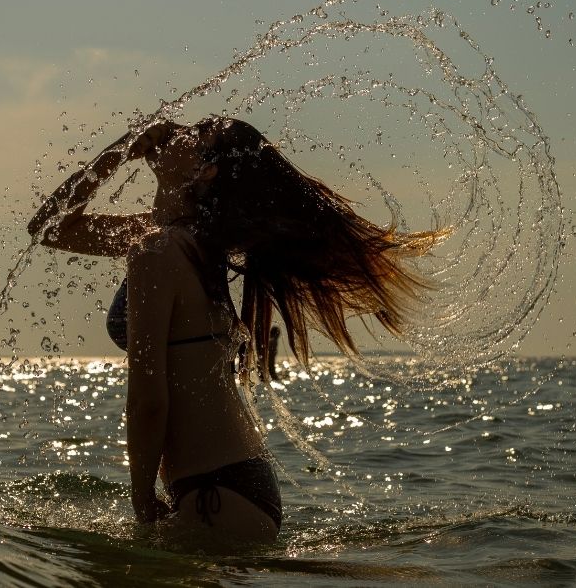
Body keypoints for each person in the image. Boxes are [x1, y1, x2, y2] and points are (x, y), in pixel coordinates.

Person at [27, 116, 447, 544]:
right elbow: (48, 227)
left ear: (205, 170)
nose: (176, 129)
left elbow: (148, 400)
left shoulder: (159, 250)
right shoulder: (172, 238)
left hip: (216, 493)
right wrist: (115, 153)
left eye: (197, 133)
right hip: (230, 486)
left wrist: (140, 498)